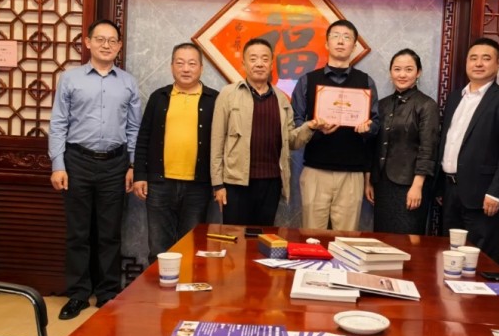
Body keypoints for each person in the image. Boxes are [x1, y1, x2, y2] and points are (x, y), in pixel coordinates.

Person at [48, 19, 141, 319]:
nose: (106, 45)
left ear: (119, 46)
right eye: (100, 39)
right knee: (78, 233)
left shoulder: (127, 82)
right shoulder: (70, 79)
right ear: (87, 42)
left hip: (115, 164)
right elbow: (58, 123)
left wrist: (132, 165)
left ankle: (107, 293)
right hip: (77, 161)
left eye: (112, 40)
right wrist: (58, 165)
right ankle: (77, 294)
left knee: (110, 233)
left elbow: (134, 128)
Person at [211, 38, 317, 225]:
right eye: (253, 59)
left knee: (262, 237)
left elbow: (291, 141)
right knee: (235, 237)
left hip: (271, 182)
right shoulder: (228, 94)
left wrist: (310, 127)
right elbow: (217, 141)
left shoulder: (281, 99)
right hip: (235, 183)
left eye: (264, 59)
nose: (259, 64)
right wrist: (218, 184)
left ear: (271, 64)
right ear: (244, 63)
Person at [437, 37, 499, 262]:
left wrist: (496, 193)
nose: (478, 63)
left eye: (486, 58)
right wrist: (439, 187)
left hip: (483, 195)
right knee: (450, 254)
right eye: (473, 58)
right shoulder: (455, 97)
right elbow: (447, 141)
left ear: (497, 64)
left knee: (481, 257)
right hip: (450, 191)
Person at [133, 43, 218, 264]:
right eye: (180, 63)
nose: (186, 69)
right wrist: (140, 175)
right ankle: (158, 287)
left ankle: (187, 287)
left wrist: (219, 183)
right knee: (158, 248)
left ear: (201, 68)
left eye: (192, 63)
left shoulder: (214, 99)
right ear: (172, 66)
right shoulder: (159, 97)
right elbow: (143, 138)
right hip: (159, 184)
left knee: (191, 246)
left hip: (199, 186)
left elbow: (222, 144)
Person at [291, 19, 379, 231]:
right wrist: (313, 127)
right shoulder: (307, 80)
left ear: (354, 46)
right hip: (315, 170)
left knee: (346, 238)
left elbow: (376, 123)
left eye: (347, 37)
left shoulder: (366, 81)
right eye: (336, 36)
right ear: (326, 43)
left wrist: (368, 128)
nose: (341, 41)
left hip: (352, 173)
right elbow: (295, 122)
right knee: (311, 236)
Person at [365, 49, 439, 234]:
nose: (402, 74)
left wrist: (417, 185)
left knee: (407, 238)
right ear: (390, 72)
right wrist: (369, 181)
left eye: (409, 69)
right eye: (397, 69)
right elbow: (373, 146)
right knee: (382, 238)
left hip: (410, 184)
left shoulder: (426, 105)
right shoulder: (382, 105)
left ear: (418, 72)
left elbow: (428, 148)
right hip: (382, 184)